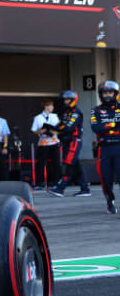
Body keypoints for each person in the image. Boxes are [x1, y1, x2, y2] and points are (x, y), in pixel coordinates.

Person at [49, 90, 91, 197]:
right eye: (65, 100)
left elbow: (68, 127)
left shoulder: (76, 112)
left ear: (73, 100)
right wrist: (49, 127)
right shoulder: (65, 113)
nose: (66, 101)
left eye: (68, 99)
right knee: (76, 165)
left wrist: (57, 129)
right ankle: (85, 189)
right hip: (66, 141)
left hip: (74, 141)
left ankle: (60, 188)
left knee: (68, 164)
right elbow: (59, 125)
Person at [90, 81, 120, 212]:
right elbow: (96, 128)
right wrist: (114, 125)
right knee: (106, 179)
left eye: (110, 92)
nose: (107, 95)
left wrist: (106, 127)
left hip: (119, 147)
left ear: (115, 93)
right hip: (104, 149)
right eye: (105, 92)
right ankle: (110, 200)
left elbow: (102, 127)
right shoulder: (95, 110)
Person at [30, 100, 60, 191]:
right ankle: (40, 183)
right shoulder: (38, 117)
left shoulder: (55, 116)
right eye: (51, 106)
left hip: (54, 142)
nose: (52, 107)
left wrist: (52, 131)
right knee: (41, 163)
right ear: (46, 106)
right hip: (43, 143)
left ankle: (54, 182)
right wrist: (41, 131)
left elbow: (59, 129)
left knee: (55, 163)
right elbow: (34, 130)